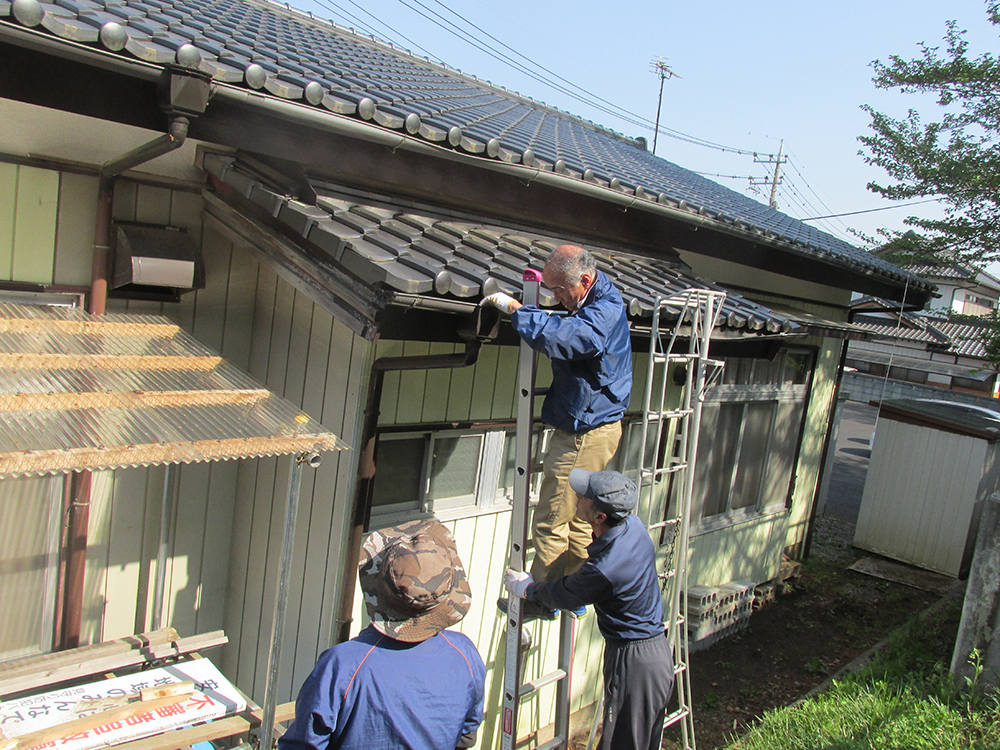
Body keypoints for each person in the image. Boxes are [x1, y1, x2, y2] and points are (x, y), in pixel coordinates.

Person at [484, 244, 633, 618]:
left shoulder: (602, 312)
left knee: (552, 517)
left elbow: (570, 337)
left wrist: (520, 312)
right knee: (583, 518)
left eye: (560, 290)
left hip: (584, 433)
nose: (556, 298)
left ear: (584, 280)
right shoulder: (594, 300)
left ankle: (540, 599)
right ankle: (574, 590)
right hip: (596, 427)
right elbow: (567, 326)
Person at [503, 469, 674, 750]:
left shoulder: (606, 568)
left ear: (600, 516)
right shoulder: (634, 528)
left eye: (583, 496)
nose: (577, 497)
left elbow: (567, 593)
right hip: (655, 655)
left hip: (634, 662)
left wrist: (528, 589)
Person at [279, 519, 486, 750]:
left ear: (379, 586)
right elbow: (466, 736)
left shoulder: (342, 665)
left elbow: (301, 746)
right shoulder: (465, 654)